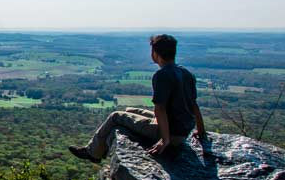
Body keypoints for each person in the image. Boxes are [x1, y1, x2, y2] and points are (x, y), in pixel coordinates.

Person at [69, 34, 206, 163]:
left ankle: (93, 153)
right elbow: (194, 104)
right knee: (130, 110)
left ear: (155, 54)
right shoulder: (186, 73)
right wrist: (201, 130)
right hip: (182, 130)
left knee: (115, 116)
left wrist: (165, 140)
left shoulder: (162, 75)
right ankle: (96, 149)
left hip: (171, 134)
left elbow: (160, 108)